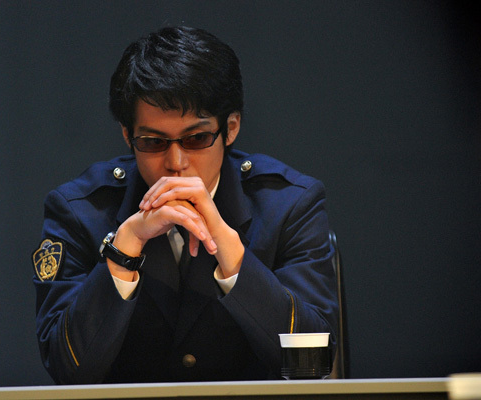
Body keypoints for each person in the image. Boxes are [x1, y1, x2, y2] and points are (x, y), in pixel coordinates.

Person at [33, 26, 338, 384]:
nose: (176, 163)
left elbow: (312, 367)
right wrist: (123, 250)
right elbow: (67, 370)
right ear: (128, 135)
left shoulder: (289, 205)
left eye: (196, 138)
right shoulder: (79, 210)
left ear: (231, 128)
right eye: (153, 142)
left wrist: (233, 258)